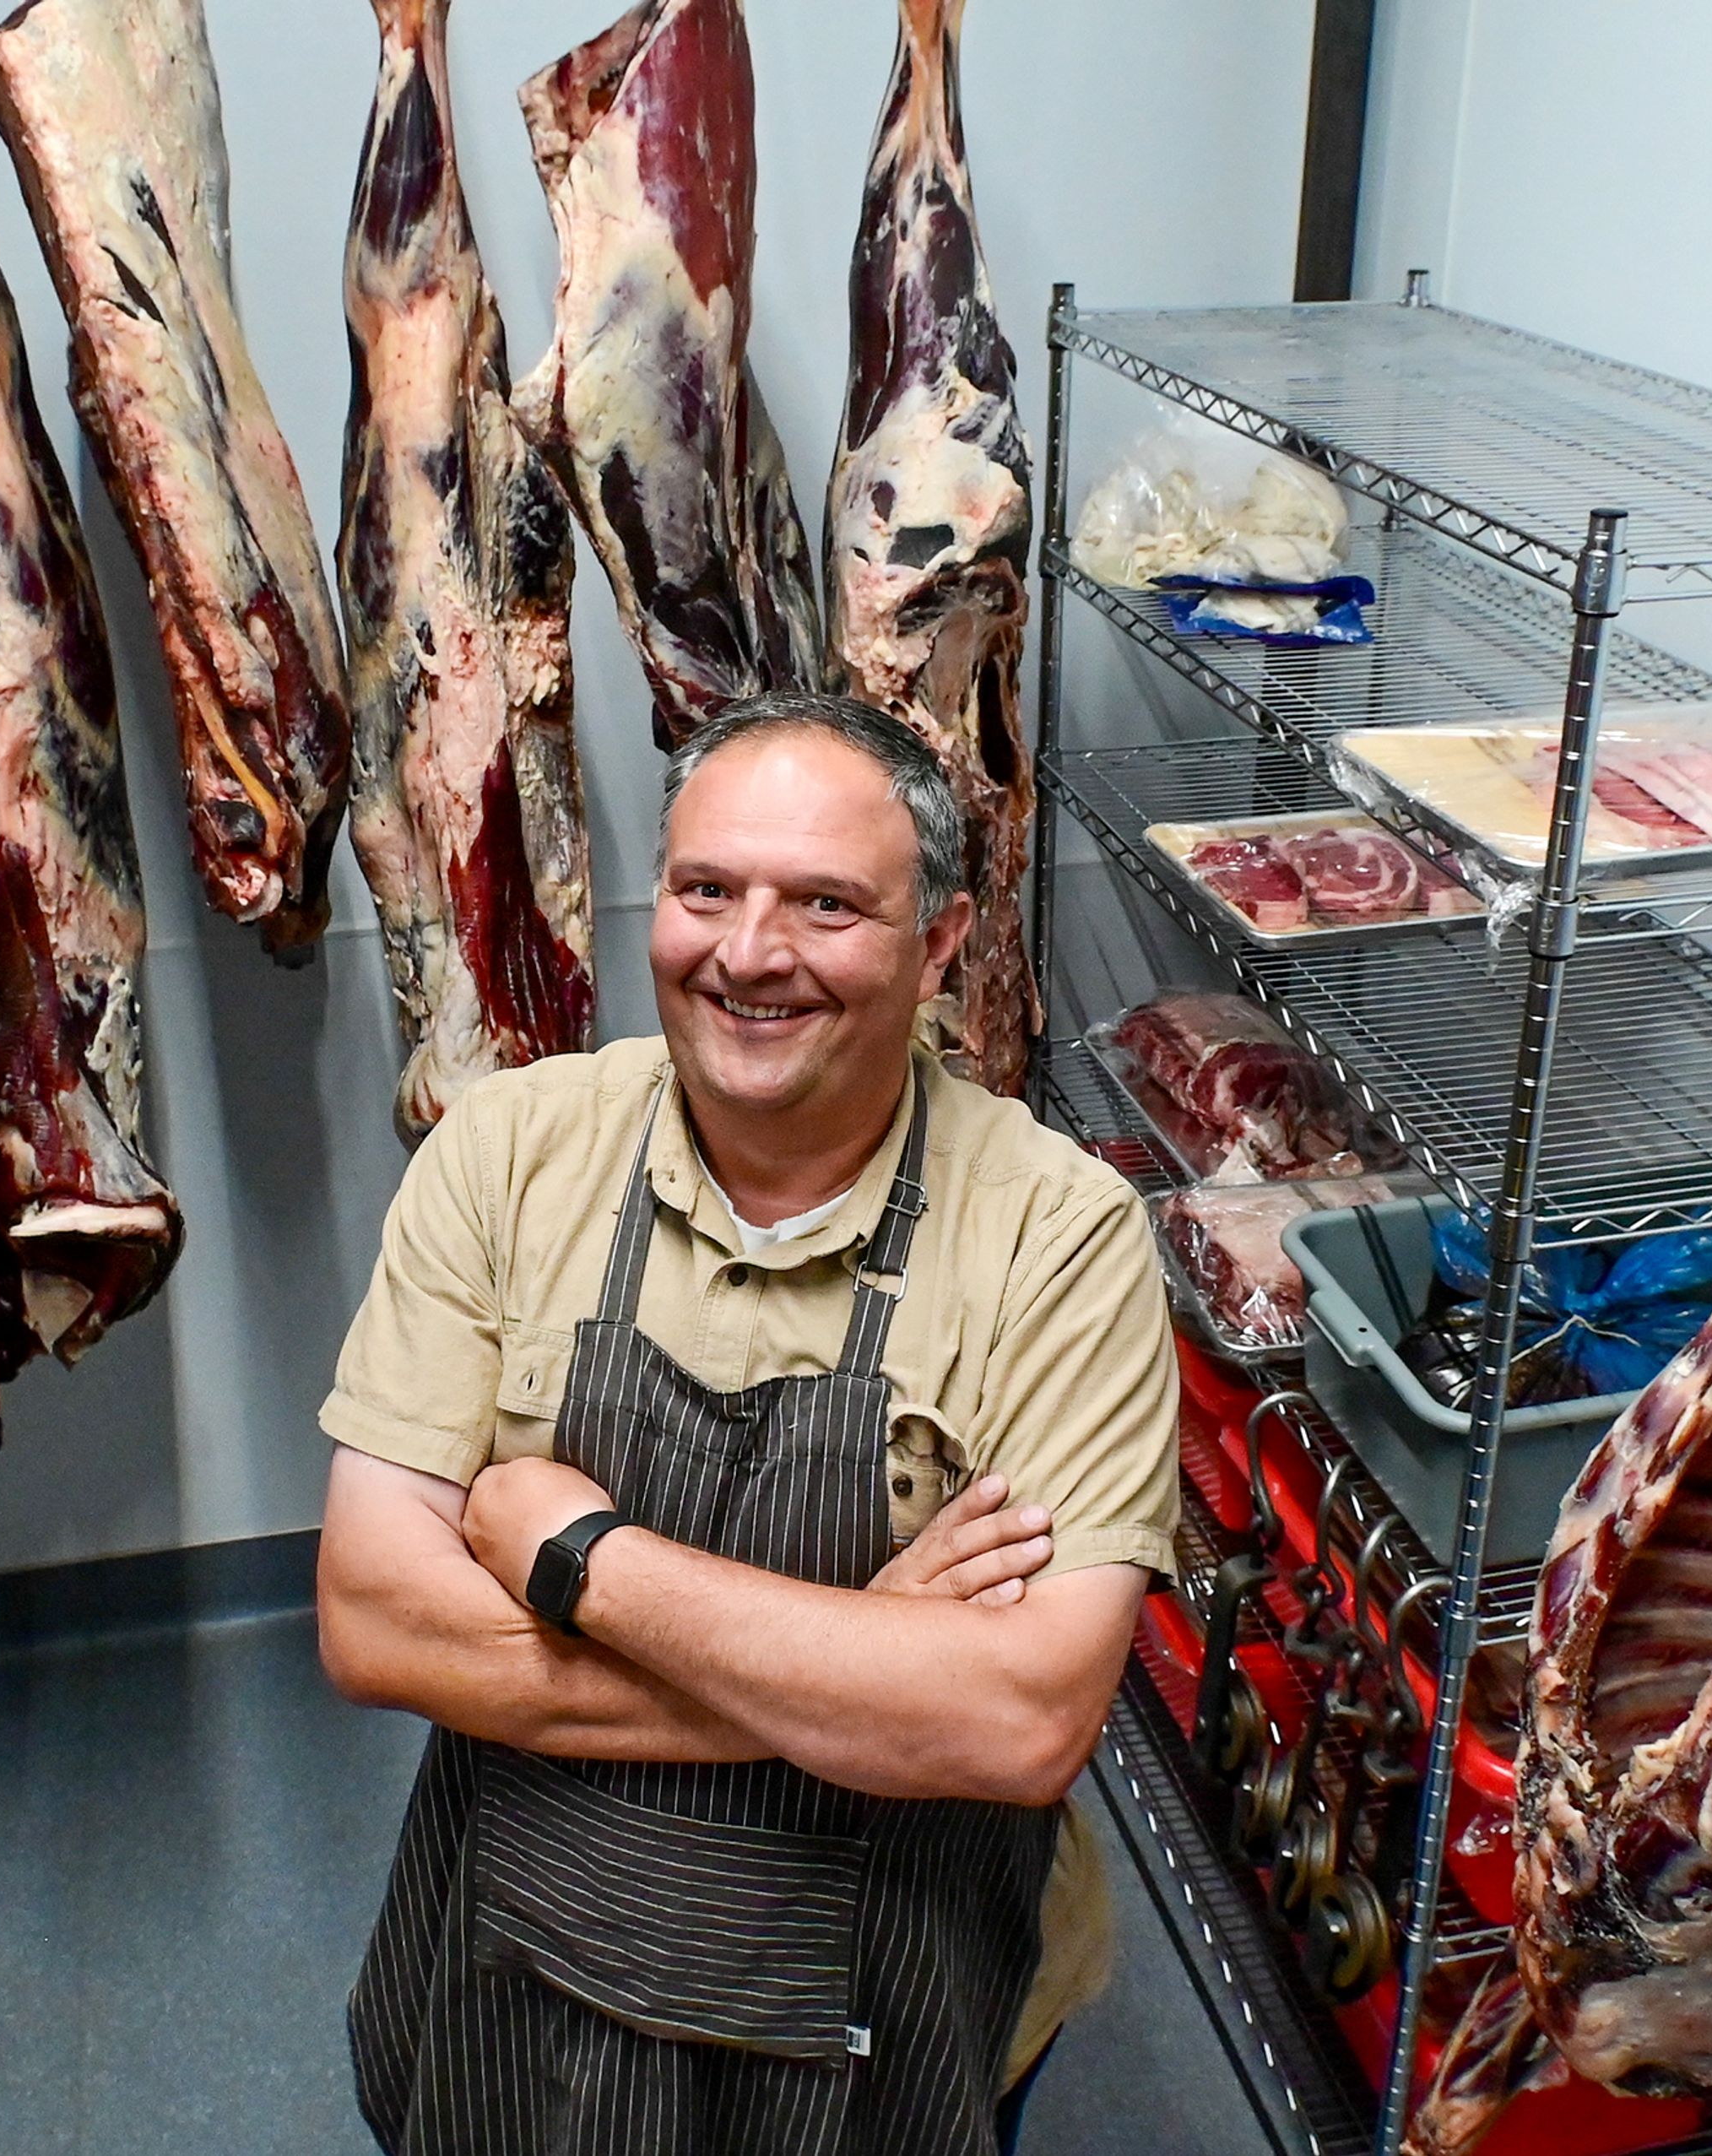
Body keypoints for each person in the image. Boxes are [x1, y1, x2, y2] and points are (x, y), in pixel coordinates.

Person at [316, 689, 1180, 2154]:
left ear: (944, 942)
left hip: (895, 2009)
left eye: (827, 904)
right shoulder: (510, 1152)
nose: (748, 952)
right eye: (708, 888)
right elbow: (374, 1622)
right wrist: (862, 1663)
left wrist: (582, 1555)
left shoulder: (1061, 1237)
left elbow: (1021, 1715)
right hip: (518, 1967)